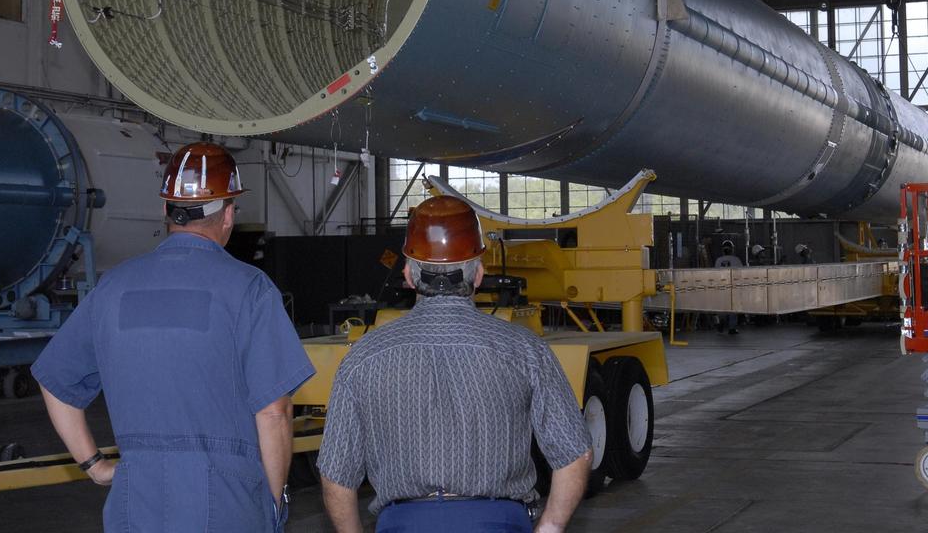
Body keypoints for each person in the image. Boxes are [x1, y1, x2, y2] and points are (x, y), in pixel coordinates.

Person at [32, 142, 314, 532]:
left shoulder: (112, 288)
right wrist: (272, 499)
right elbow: (273, 412)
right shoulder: (248, 289)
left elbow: (56, 382)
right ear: (229, 214)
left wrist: (94, 466)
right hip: (227, 504)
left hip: (136, 504)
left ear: (166, 210)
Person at [318, 195, 591, 533]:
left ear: (407, 273)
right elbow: (575, 454)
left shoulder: (362, 358)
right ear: (478, 273)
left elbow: (336, 475)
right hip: (498, 522)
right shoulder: (525, 351)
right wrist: (550, 527)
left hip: (404, 523)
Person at [714, 241, 743, 335]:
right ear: (732, 249)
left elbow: (715, 274)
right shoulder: (736, 260)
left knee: (722, 307)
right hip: (733, 286)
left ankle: (721, 322)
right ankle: (732, 327)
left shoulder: (718, 260)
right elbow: (741, 273)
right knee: (733, 308)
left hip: (722, 286)